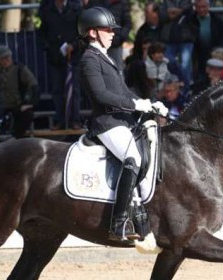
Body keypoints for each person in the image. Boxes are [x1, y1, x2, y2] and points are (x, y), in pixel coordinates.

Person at [78, 6, 168, 241]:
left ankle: (141, 214)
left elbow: (123, 91)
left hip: (121, 119)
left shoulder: (105, 57)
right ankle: (119, 221)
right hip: (106, 122)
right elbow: (101, 96)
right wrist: (135, 106)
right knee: (134, 158)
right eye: (107, 29)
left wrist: (148, 103)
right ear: (92, 32)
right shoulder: (89, 59)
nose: (112, 33)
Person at [39, 0, 82, 130]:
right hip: (55, 58)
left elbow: (82, 33)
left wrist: (73, 45)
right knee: (57, 90)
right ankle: (60, 120)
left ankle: (75, 120)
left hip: (73, 57)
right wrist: (48, 48)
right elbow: (42, 33)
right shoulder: (47, 9)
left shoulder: (76, 9)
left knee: (74, 90)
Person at [0, 45, 40, 138]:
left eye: (8, 57)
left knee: (26, 115)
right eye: (3, 58)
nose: (7, 60)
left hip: (17, 105)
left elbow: (33, 85)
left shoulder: (20, 69)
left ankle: (16, 139)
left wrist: (30, 103)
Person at [86, 0, 132, 73]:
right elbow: (87, 19)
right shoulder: (93, 2)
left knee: (117, 73)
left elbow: (127, 23)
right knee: (96, 72)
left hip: (115, 46)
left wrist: (120, 38)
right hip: (96, 45)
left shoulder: (122, 2)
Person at [159, 0, 194, 91]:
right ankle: (170, 89)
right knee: (168, 63)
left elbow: (191, 13)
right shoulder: (165, 2)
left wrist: (179, 11)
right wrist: (170, 15)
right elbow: (161, 15)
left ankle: (186, 90)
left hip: (185, 39)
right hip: (169, 39)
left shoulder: (187, 1)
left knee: (185, 66)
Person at [188, 0, 223, 83]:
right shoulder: (190, 20)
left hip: (215, 51)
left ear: (208, 6)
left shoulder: (217, 20)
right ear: (195, 7)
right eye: (199, 7)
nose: (201, 10)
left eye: (204, 7)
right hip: (198, 52)